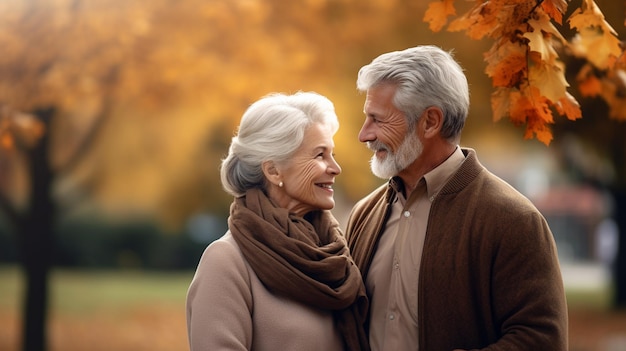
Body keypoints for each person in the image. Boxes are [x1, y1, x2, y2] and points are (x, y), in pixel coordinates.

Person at [345, 45, 568, 351]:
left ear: (430, 122)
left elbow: (541, 340)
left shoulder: (515, 221)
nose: (364, 134)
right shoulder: (363, 215)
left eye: (378, 119)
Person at [186, 91, 369, 351]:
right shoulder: (226, 261)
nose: (335, 168)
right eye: (320, 155)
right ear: (273, 170)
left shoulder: (336, 254)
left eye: (333, 155)